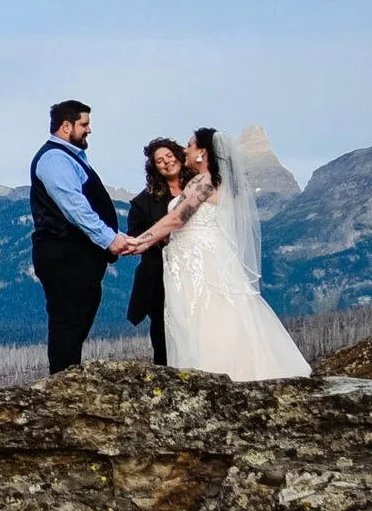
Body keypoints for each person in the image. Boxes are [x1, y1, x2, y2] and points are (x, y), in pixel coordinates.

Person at [127, 127, 311, 381]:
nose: (186, 150)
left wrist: (139, 242)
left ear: (202, 152)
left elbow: (176, 219)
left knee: (207, 318)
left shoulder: (205, 182)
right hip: (189, 258)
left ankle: (217, 373)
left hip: (200, 261)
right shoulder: (206, 181)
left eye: (190, 146)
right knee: (198, 318)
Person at [29, 99, 133, 372]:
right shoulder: (54, 159)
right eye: (84, 124)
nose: (89, 130)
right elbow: (74, 206)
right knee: (68, 324)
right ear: (66, 126)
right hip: (65, 257)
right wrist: (109, 238)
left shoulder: (69, 157)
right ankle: (62, 386)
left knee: (76, 321)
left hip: (75, 258)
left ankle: (66, 381)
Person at [127, 138, 185, 366]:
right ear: (154, 168)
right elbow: (135, 233)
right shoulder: (144, 201)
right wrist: (160, 239)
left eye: (169, 156)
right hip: (159, 275)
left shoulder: (197, 186)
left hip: (194, 268)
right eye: (159, 161)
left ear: (179, 155)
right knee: (163, 329)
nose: (166, 163)